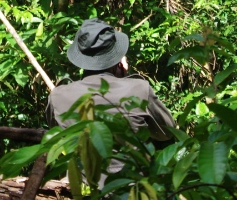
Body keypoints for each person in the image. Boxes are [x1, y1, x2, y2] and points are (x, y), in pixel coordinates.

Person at [48, 18, 175, 176]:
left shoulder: (58, 95)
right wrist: (124, 79)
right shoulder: (139, 89)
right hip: (131, 184)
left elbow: (58, 135)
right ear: (117, 61)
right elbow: (167, 133)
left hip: (80, 184)